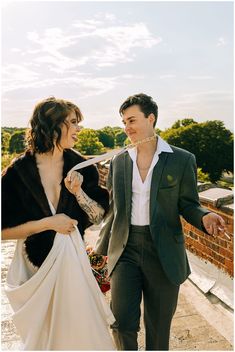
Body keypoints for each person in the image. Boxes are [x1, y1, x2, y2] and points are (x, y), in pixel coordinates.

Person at [95, 93, 227, 351]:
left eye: (132, 120)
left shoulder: (182, 159)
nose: (127, 127)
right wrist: (100, 250)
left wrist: (205, 216)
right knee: (121, 323)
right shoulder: (119, 161)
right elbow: (114, 211)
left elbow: (188, 204)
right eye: (124, 121)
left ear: (151, 118)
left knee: (158, 326)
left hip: (163, 251)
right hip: (125, 250)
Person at [2, 97, 115, 350]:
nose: (78, 129)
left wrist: (78, 193)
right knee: (46, 340)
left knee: (82, 333)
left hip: (74, 262)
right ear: (53, 125)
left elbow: (98, 216)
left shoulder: (82, 166)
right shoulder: (18, 172)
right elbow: (2, 231)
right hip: (36, 267)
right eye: (73, 123)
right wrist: (49, 223)